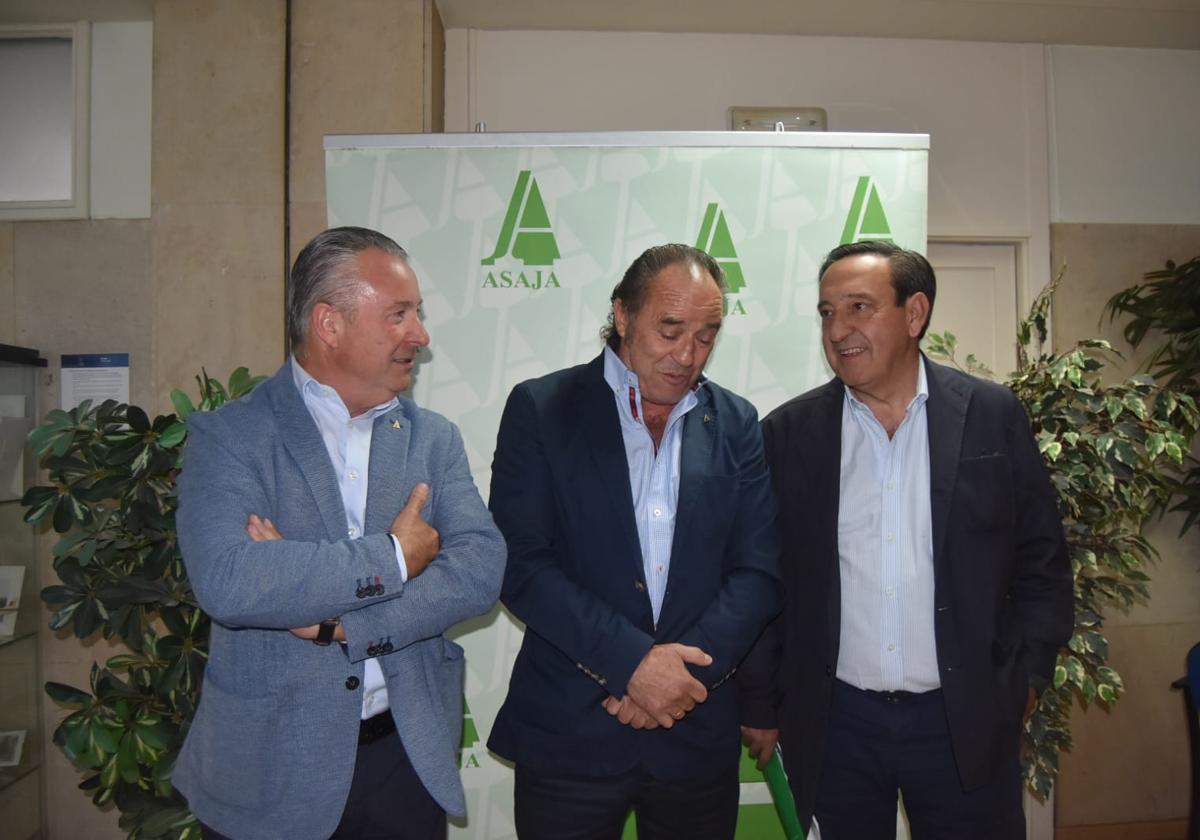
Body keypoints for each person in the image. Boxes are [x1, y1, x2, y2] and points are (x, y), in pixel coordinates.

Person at [174, 227, 506, 840]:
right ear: (329, 324)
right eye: (399, 315)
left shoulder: (433, 438)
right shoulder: (232, 437)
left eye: (418, 314)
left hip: (405, 761)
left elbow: (482, 568)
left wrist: (346, 624)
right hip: (270, 771)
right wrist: (395, 557)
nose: (421, 335)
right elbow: (231, 581)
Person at [738, 240, 1073, 839]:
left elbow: (1041, 559)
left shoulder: (991, 414)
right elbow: (766, 579)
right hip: (838, 722)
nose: (838, 329)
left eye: (859, 307)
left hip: (962, 718)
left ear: (914, 314)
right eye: (826, 312)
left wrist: (1026, 680)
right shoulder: (789, 434)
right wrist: (761, 703)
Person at [487, 243, 782, 840]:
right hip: (571, 730)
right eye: (670, 329)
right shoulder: (542, 408)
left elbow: (757, 573)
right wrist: (631, 665)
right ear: (622, 316)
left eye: (706, 335)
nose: (686, 354)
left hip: (694, 731)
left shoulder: (736, 421)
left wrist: (673, 681)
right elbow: (521, 563)